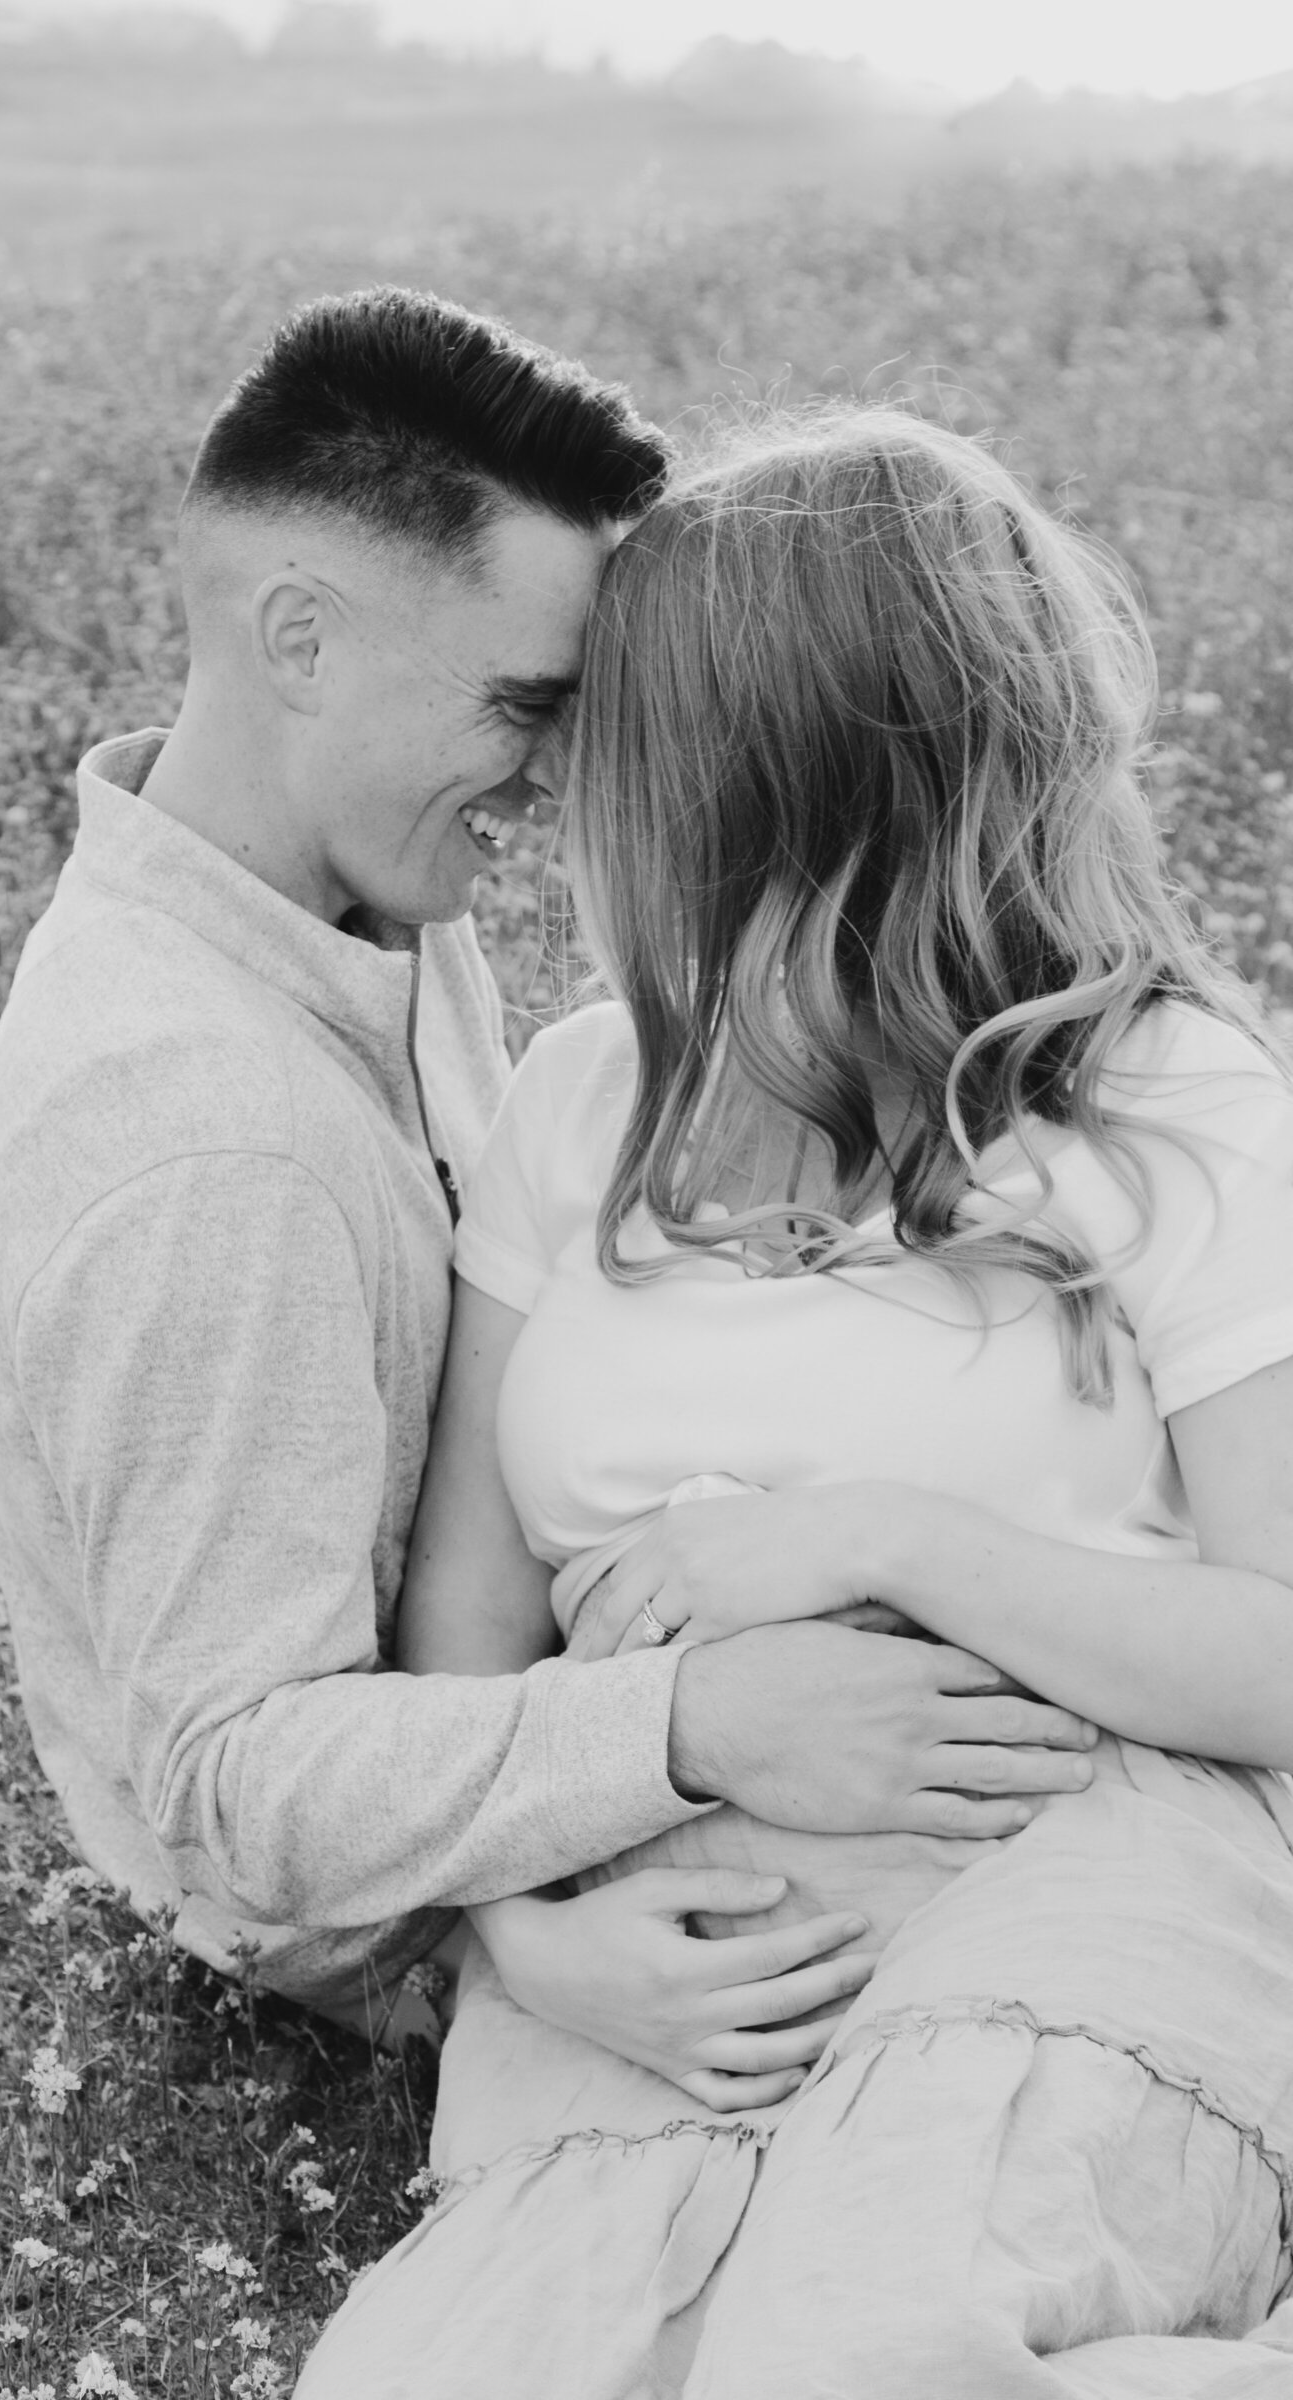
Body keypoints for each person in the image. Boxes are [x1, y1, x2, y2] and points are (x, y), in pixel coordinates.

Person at [0, 294, 1088, 2074]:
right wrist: (676, 1743)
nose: (565, 779)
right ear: (301, 640)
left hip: (547, 1703)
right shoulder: (203, 1141)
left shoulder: (354, 903)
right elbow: (239, 1783)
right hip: (447, 1897)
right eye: (526, 705)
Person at [297, 407, 1293, 2396]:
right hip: (649, 1950)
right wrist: (509, 1933)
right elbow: (460, 1656)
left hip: (1058, 1876)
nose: (558, 782)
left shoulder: (1160, 1097)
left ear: (778, 769)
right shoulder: (586, 1101)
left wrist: (876, 1538)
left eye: (615, 730)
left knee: (860, 2360)